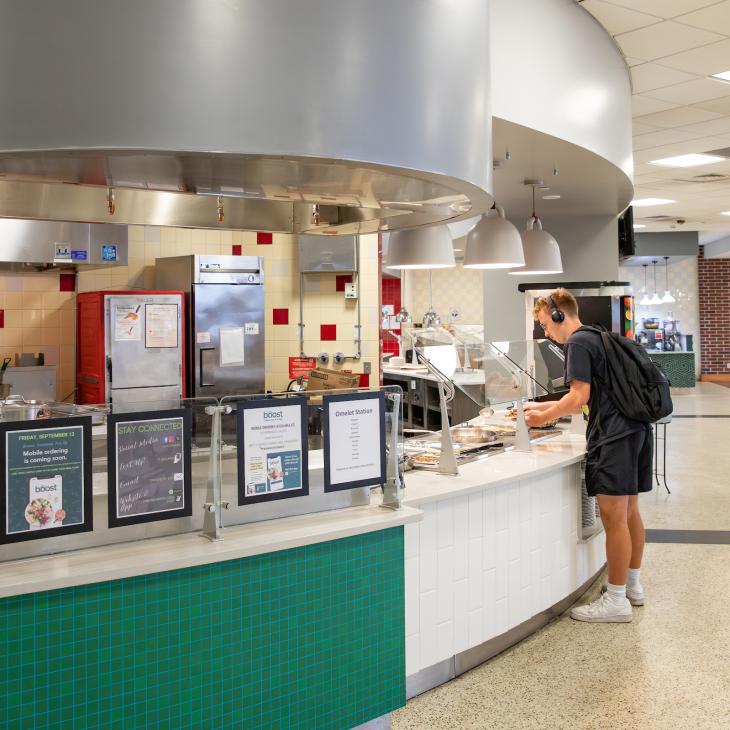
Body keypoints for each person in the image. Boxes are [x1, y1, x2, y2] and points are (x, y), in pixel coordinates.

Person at [524, 288, 652, 623]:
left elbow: (579, 395)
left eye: (544, 323)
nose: (544, 331)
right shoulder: (598, 335)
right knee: (631, 512)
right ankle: (633, 586)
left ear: (558, 314)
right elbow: (591, 394)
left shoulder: (577, 343)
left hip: (613, 437)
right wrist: (541, 406)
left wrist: (541, 418)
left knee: (614, 518)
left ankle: (617, 600)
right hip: (635, 430)